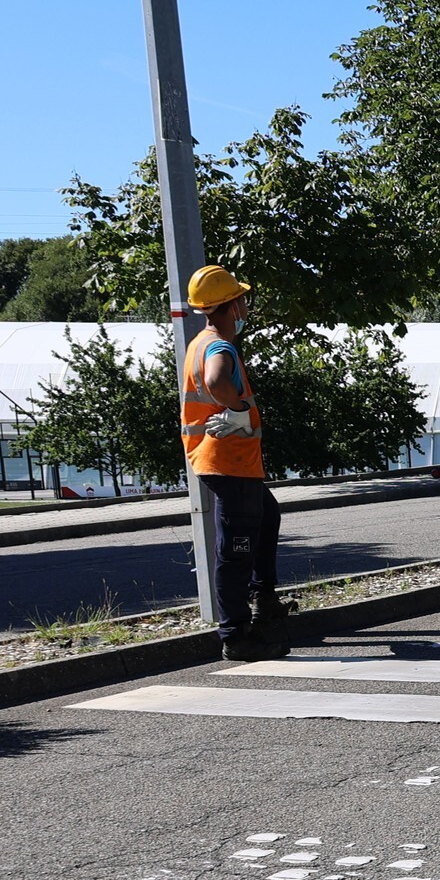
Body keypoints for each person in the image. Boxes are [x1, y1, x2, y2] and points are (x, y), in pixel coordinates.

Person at [179, 264, 293, 661]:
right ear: (232, 305)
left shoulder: (199, 341)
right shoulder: (219, 347)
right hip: (229, 463)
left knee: (268, 514)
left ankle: (265, 601)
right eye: (241, 299)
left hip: (226, 462)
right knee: (236, 550)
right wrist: (240, 406)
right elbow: (215, 381)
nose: (245, 306)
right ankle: (237, 636)